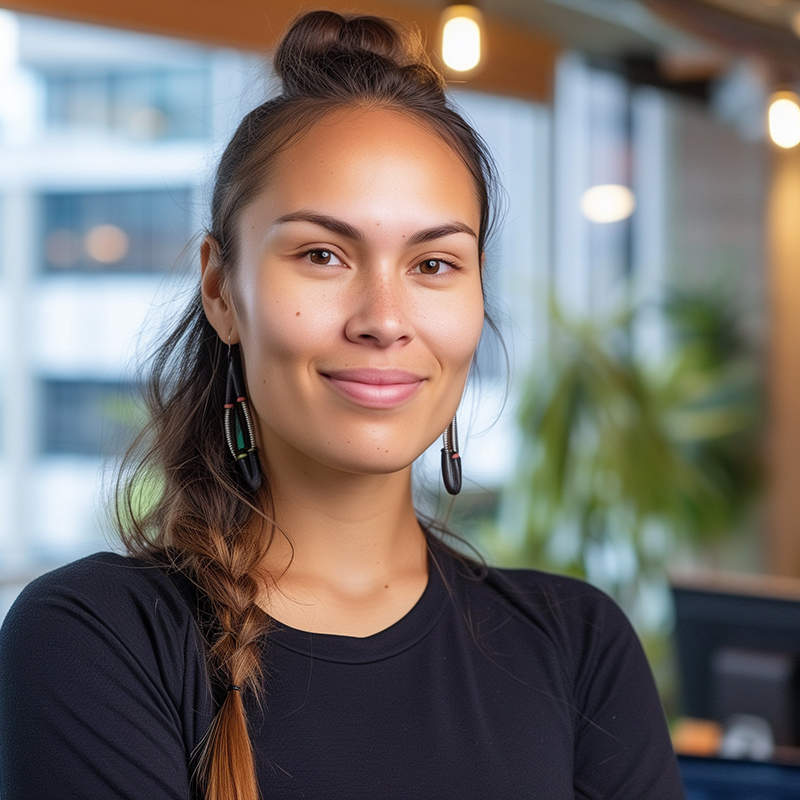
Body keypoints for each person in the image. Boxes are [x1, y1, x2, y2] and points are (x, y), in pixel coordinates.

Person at [0, 10, 685, 800]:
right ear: (222, 289)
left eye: (433, 263)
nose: (385, 319)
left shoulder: (577, 646)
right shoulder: (100, 640)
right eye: (322, 254)